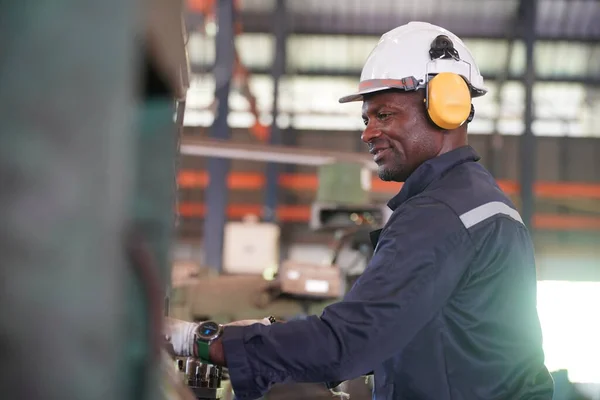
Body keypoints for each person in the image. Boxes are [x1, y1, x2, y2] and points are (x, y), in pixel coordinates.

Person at [168, 21, 554, 399]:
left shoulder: (442, 213)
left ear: (447, 106)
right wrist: (281, 338)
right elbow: (438, 341)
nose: (368, 132)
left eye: (384, 115)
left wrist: (199, 340)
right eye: (366, 119)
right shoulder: (479, 202)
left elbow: (351, 342)